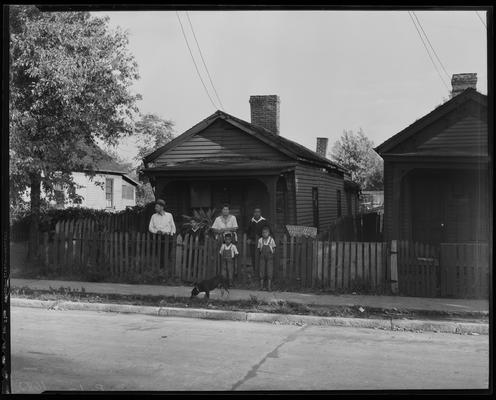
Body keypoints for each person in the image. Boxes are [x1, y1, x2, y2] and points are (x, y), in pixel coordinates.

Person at [246, 207, 271, 275]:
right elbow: (247, 231)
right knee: (254, 257)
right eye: (255, 212)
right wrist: (248, 238)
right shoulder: (251, 221)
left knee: (262, 257)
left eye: (258, 212)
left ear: (260, 213)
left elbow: (269, 231)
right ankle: (255, 271)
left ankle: (263, 272)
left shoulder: (264, 221)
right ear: (253, 213)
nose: (257, 213)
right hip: (253, 243)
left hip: (263, 243)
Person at [257, 226, 276, 291]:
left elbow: (273, 248)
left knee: (269, 270)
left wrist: (272, 254)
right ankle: (261, 286)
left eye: (266, 233)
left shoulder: (271, 240)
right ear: (262, 233)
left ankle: (269, 287)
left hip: (270, 257)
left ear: (269, 233)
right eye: (263, 233)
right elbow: (259, 249)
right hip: (262, 256)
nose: (264, 234)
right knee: (262, 270)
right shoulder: (260, 240)